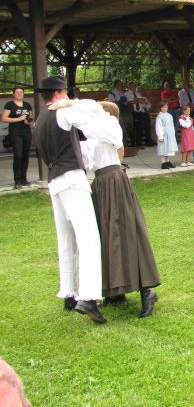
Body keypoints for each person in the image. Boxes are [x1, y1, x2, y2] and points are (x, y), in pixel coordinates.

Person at [55, 100, 161, 317]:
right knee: (107, 236)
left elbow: (111, 138)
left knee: (127, 232)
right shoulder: (93, 132)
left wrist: (74, 105)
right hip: (100, 183)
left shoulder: (110, 125)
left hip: (114, 180)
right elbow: (83, 156)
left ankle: (146, 290)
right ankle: (115, 291)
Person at [32, 76, 108, 324]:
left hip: (55, 180)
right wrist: (74, 103)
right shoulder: (63, 113)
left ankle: (69, 292)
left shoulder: (40, 118)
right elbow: (95, 114)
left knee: (66, 239)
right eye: (66, 92)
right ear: (59, 93)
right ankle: (88, 296)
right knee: (88, 238)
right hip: (72, 178)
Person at [1, 87, 33, 188]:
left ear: (23, 94)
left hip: (26, 132)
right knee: (18, 155)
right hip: (15, 132)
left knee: (25, 155)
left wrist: (28, 122)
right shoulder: (10, 104)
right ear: (13, 94)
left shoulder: (27, 105)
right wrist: (18, 119)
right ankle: (17, 179)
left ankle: (24, 178)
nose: (19, 94)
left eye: (21, 92)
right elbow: (3, 118)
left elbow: (31, 120)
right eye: (17, 92)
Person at [126, 82, 154, 147]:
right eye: (133, 86)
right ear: (129, 86)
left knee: (139, 128)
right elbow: (131, 101)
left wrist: (136, 100)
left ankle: (139, 143)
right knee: (133, 128)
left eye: (135, 86)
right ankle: (133, 143)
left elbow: (143, 100)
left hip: (139, 113)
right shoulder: (127, 93)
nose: (135, 87)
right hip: (132, 112)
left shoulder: (137, 93)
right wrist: (138, 100)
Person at [155, 101, 178, 169]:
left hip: (170, 133)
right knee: (163, 148)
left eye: (166, 107)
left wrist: (173, 133)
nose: (165, 108)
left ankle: (168, 161)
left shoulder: (169, 115)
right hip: (164, 133)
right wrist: (160, 136)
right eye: (163, 107)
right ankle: (163, 163)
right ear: (160, 108)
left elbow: (172, 125)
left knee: (169, 148)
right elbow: (158, 126)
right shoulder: (159, 116)